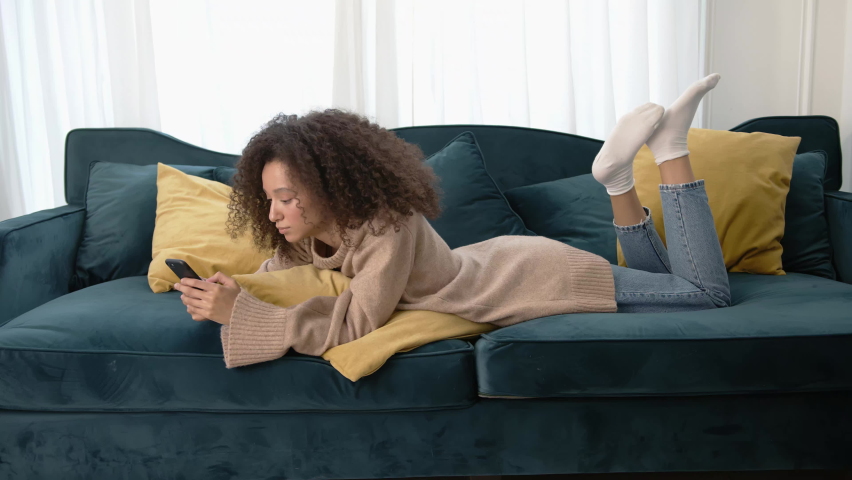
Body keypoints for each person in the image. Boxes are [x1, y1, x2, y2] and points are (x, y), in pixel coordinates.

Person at [173, 74, 731, 369]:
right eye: (269, 199)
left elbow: (353, 324)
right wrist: (234, 290)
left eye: (287, 198)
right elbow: (281, 277)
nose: (274, 213)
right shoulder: (311, 236)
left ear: (326, 188)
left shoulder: (385, 225)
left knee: (705, 295)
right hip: (501, 265)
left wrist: (241, 317)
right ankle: (615, 180)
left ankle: (671, 150)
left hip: (531, 278)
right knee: (669, 288)